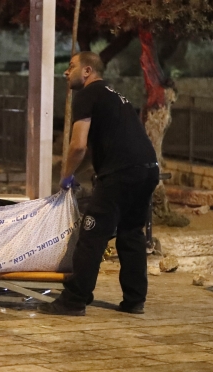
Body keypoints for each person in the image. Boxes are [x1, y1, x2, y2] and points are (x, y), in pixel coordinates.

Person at [38, 52, 159, 316]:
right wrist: (78, 173)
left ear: (87, 71)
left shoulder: (87, 95)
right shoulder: (114, 95)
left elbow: (78, 145)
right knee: (130, 234)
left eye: (71, 67)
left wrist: (65, 176)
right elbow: (98, 150)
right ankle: (134, 300)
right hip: (147, 170)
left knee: (92, 235)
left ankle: (74, 300)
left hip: (121, 174)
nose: (65, 73)